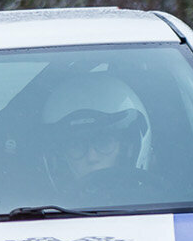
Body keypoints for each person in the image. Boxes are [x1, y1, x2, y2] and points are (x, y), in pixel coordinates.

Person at [40, 74, 156, 204]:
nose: (92, 157)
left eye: (103, 142)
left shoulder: (160, 207)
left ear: (126, 149)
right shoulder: (38, 215)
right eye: (77, 145)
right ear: (61, 156)